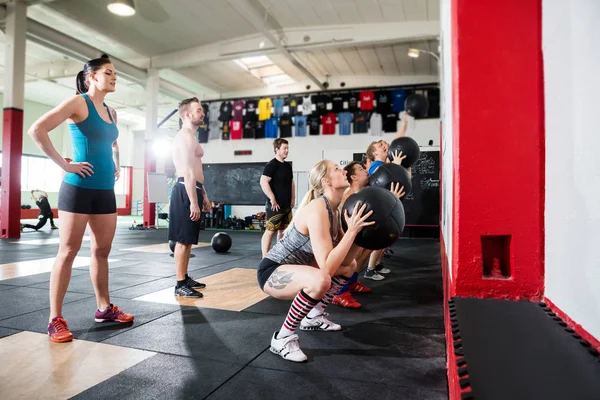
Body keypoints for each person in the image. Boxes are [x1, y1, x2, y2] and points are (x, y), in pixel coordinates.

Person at [28, 54, 133, 343]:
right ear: (92, 77)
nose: (114, 77)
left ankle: (104, 308)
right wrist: (65, 164)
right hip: (77, 187)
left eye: (116, 73)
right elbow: (37, 129)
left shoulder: (112, 112)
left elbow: (112, 141)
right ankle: (55, 319)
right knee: (69, 251)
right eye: (109, 72)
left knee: (102, 251)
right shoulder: (78, 103)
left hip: (103, 191)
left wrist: (116, 162)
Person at [257, 160, 374, 362]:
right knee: (321, 279)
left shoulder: (335, 210)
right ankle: (282, 337)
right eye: (337, 169)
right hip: (272, 272)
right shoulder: (318, 209)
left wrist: (358, 234)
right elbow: (327, 267)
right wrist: (352, 231)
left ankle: (313, 316)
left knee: (350, 267)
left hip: (296, 269)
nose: (344, 170)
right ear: (326, 180)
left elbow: (345, 260)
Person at [332, 162, 405, 308]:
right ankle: (339, 292)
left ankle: (352, 282)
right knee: (350, 257)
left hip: (358, 233)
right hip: (343, 237)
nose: (366, 171)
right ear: (354, 177)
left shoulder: (367, 192)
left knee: (367, 249)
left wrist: (393, 200)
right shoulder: (347, 197)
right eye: (361, 169)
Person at [169, 97, 212, 298]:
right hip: (185, 190)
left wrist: (203, 194)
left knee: (188, 240)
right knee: (183, 240)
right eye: (198, 110)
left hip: (193, 188)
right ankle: (179, 284)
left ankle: (184, 277)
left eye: (202, 110)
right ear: (187, 114)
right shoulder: (185, 137)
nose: (201, 113)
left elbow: (196, 170)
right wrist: (193, 201)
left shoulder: (192, 137)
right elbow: (187, 171)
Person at [259, 138, 295, 256]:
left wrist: (293, 198)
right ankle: (265, 257)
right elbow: (263, 182)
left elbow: (291, 183)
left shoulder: (287, 166)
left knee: (284, 231)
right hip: (275, 205)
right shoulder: (271, 165)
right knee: (270, 231)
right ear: (276, 149)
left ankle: (279, 254)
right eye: (284, 148)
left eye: (287, 148)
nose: (287, 150)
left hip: (286, 204)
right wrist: (272, 198)